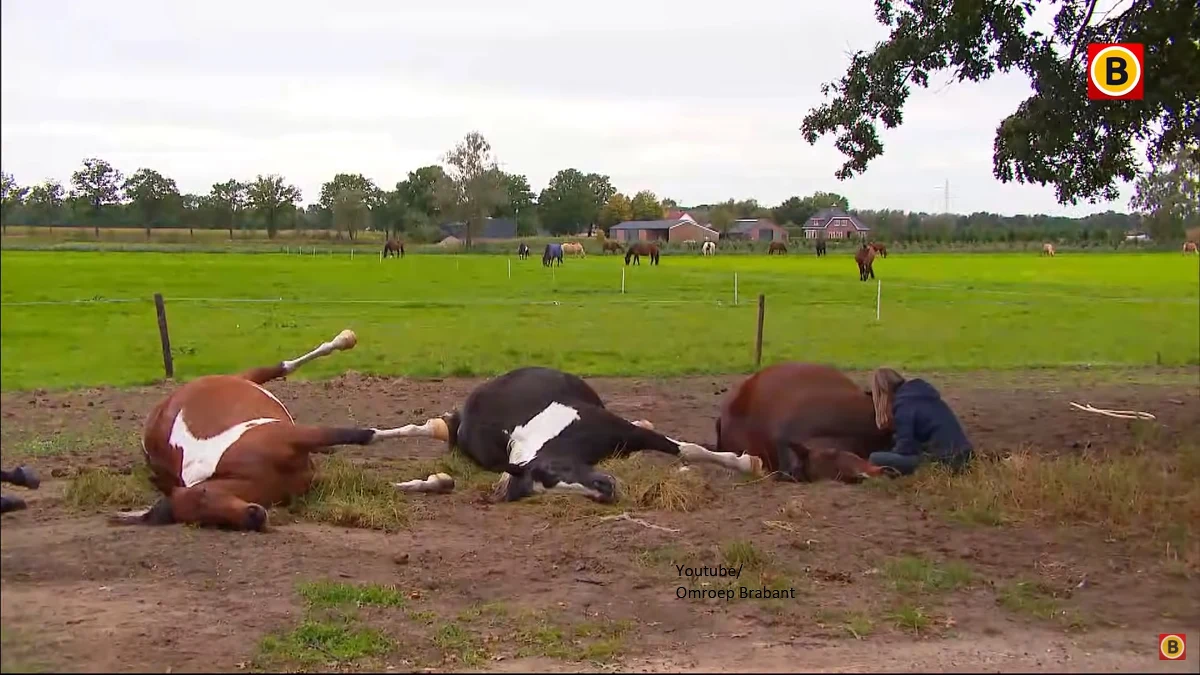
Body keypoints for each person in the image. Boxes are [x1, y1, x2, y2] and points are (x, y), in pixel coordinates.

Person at [867, 368, 973, 477]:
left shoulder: (903, 405)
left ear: (882, 390)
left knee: (875, 458)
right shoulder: (922, 395)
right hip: (965, 455)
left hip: (945, 461)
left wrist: (892, 449)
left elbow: (905, 449)